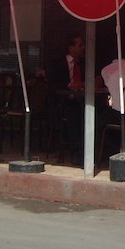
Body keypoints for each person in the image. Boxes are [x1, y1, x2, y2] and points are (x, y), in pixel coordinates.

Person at [45, 33, 86, 164]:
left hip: (82, 99)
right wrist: (69, 87)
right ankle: (77, 152)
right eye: (80, 45)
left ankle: (95, 149)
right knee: (74, 113)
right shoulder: (57, 63)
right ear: (71, 48)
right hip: (61, 103)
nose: (83, 48)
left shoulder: (84, 64)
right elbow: (52, 85)